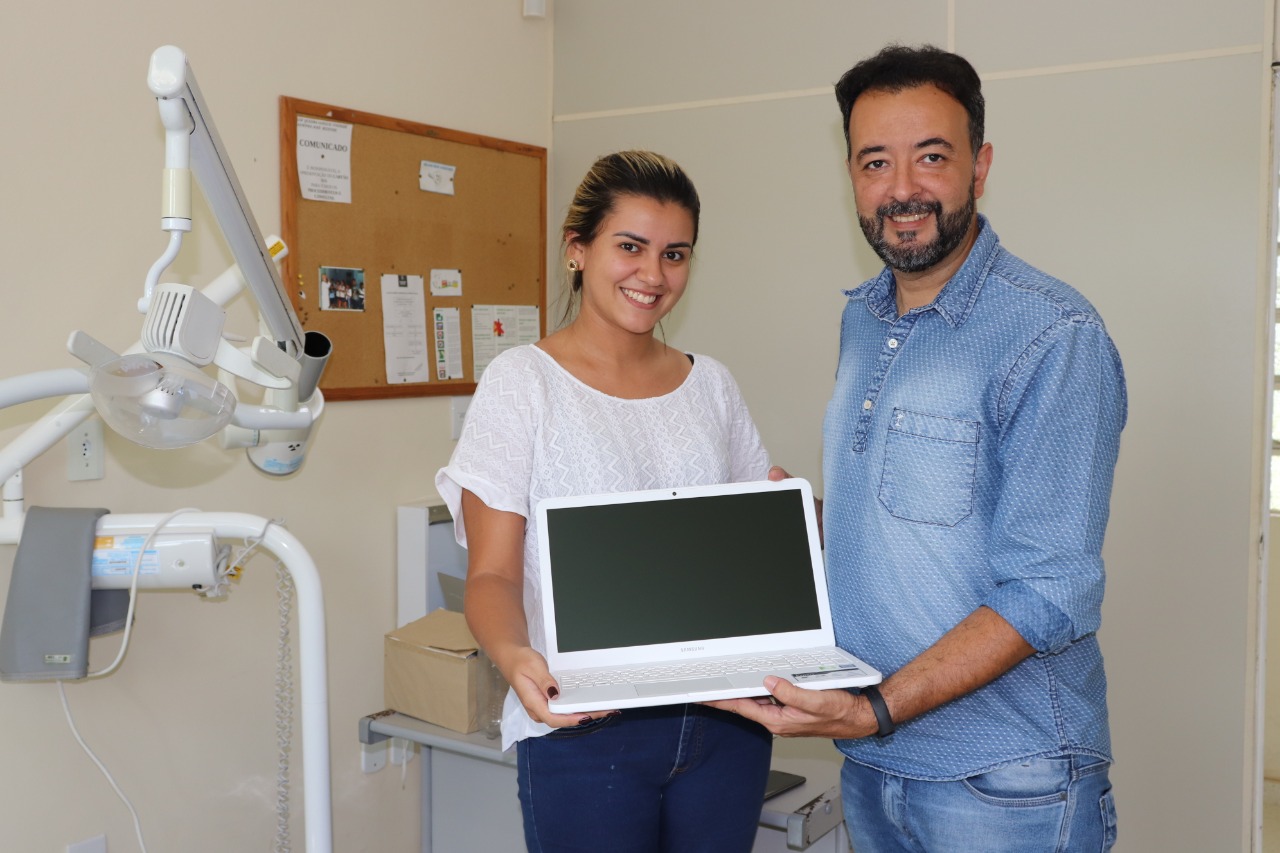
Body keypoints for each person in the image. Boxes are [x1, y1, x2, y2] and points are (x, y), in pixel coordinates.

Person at [708, 45, 1126, 852]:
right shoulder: (864, 318)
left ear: (981, 166)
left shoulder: (1053, 333)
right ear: (851, 176)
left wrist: (876, 707)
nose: (902, 188)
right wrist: (802, 522)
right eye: (876, 162)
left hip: (1009, 781)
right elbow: (918, 515)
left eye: (931, 156)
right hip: (874, 768)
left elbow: (1050, 588)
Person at [435, 150, 773, 853]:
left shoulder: (711, 385)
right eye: (630, 247)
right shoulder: (522, 384)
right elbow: (492, 575)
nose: (653, 274)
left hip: (726, 723)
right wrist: (513, 655)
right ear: (577, 249)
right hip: (587, 727)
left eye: (675, 254)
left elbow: (753, 536)